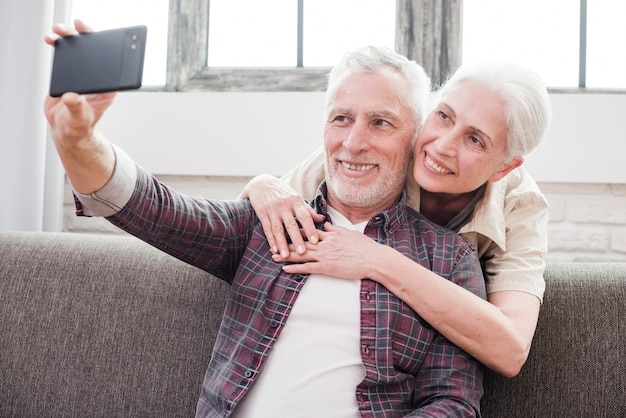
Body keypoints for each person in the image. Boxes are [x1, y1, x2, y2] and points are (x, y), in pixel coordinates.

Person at [45, 21, 486, 417]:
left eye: (381, 123)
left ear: (414, 136)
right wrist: (77, 140)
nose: (354, 142)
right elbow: (151, 207)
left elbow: (453, 402)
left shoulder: (447, 258)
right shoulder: (265, 224)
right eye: (342, 119)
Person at [241, 59, 552, 378]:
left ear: (504, 167)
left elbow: (510, 350)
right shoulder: (383, 147)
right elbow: (252, 224)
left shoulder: (520, 205)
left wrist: (376, 259)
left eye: (474, 140)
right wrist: (262, 184)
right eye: (444, 116)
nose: (441, 146)